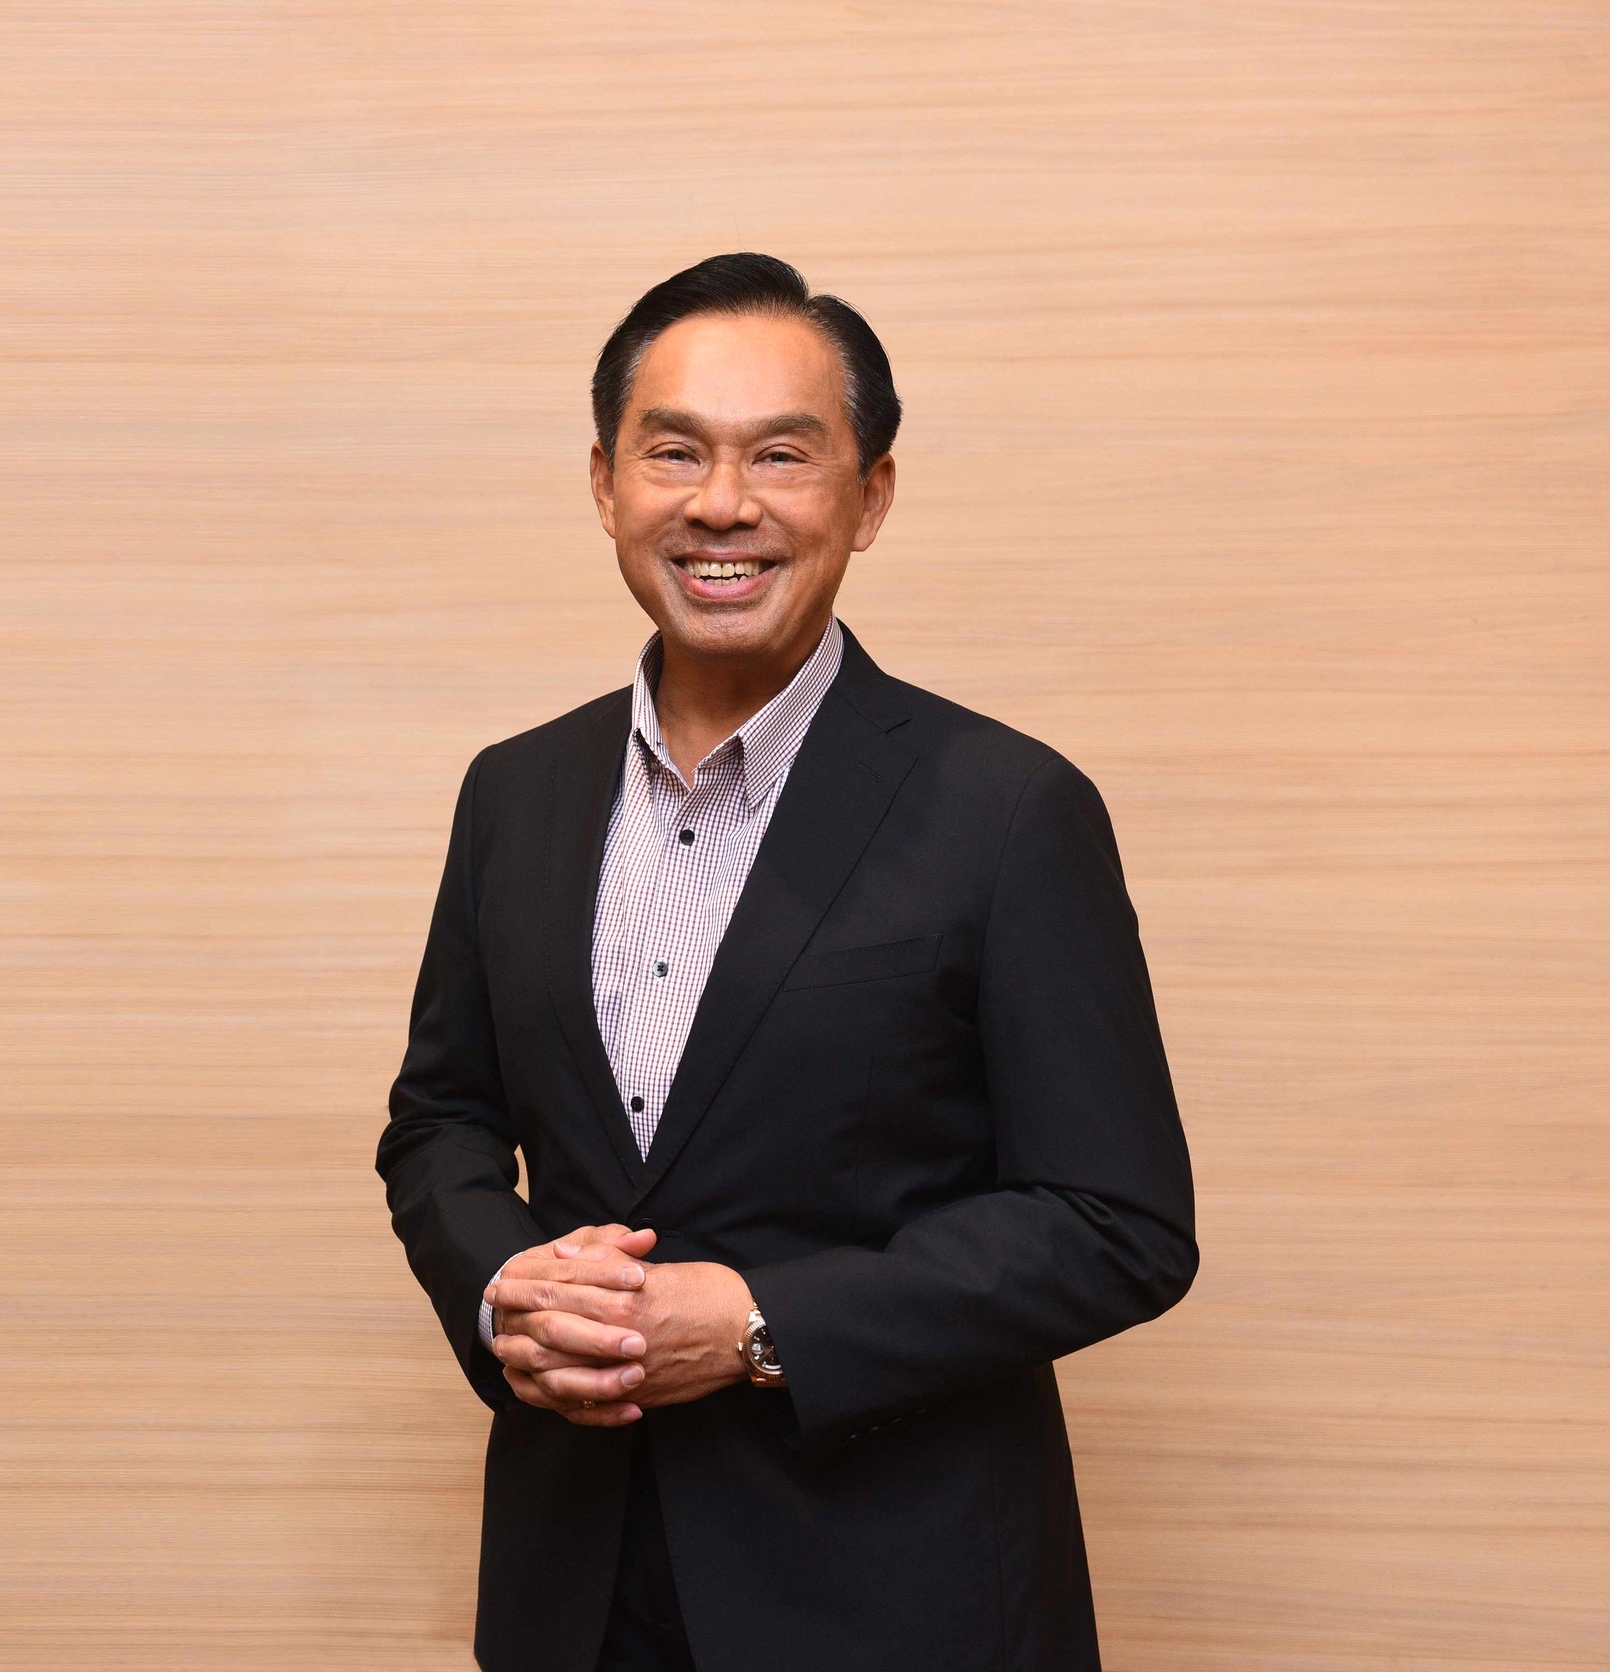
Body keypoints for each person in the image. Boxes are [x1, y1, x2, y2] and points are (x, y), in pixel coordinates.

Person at [376, 253, 1197, 1672]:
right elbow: (440, 1120)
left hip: (899, 1603)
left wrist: (763, 1325)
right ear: (605, 483)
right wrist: (508, 1286)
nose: (721, 504)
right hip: (574, 1591)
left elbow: (1116, 1222)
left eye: (781, 456)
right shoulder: (514, 791)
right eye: (674, 452)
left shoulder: (1009, 808)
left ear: (869, 499)